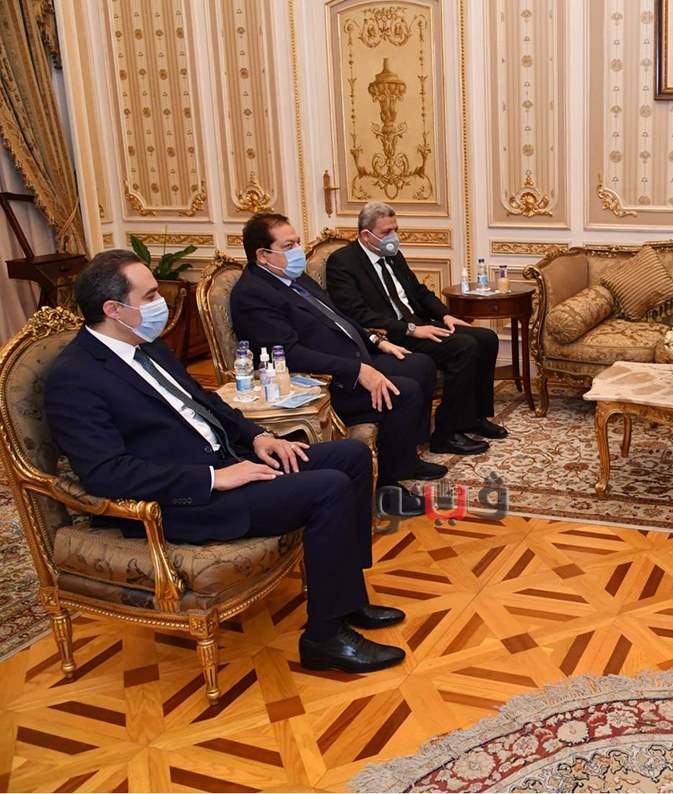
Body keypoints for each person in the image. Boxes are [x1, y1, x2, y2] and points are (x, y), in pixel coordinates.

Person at [44, 250, 406, 673]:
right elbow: (106, 473)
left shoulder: (147, 346)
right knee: (329, 487)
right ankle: (325, 638)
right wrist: (214, 478)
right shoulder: (75, 377)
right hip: (183, 501)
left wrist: (259, 438)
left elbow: (206, 402)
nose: (161, 303)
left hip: (228, 462)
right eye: (150, 296)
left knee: (351, 455)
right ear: (113, 309)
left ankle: (347, 599)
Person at [230, 212, 442, 506]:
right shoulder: (253, 295)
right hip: (323, 383)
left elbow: (338, 317)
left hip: (352, 357)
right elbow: (290, 355)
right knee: (404, 392)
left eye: (297, 243)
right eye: (288, 246)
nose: (298, 251)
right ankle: (385, 487)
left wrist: (377, 341)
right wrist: (356, 370)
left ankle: (405, 457)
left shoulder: (294, 277)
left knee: (420, 364)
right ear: (263, 255)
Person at [326, 202, 506, 456]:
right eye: (387, 232)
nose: (393, 237)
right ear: (366, 235)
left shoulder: (392, 254)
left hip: (418, 323)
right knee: (463, 347)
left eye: (395, 229)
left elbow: (419, 292)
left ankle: (473, 417)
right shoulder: (343, 262)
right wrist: (410, 329)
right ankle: (446, 433)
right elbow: (356, 313)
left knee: (486, 338)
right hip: (391, 334)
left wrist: (445, 315)